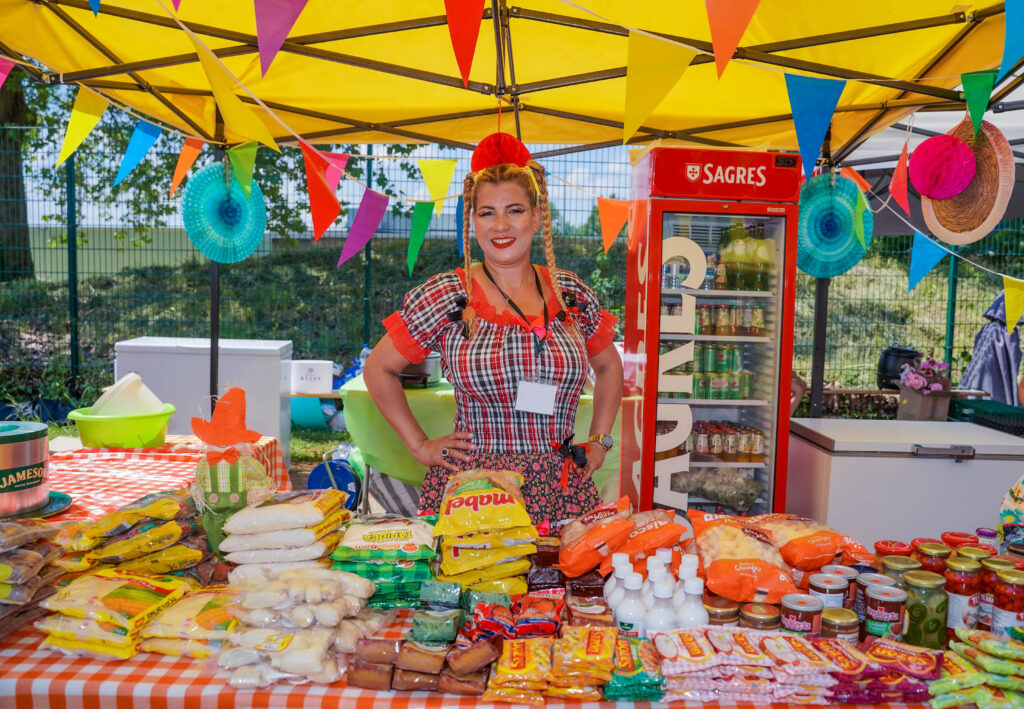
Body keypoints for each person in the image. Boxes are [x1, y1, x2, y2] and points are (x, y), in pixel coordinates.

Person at [363, 132, 623, 531]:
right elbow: (378, 369)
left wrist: (601, 441)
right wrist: (419, 445)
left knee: (561, 591)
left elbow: (609, 367)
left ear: (536, 216)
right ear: (473, 220)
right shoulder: (448, 294)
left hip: (561, 487)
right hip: (475, 489)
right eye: (487, 213)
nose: (500, 225)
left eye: (514, 210)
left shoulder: (569, 292)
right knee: (474, 589)